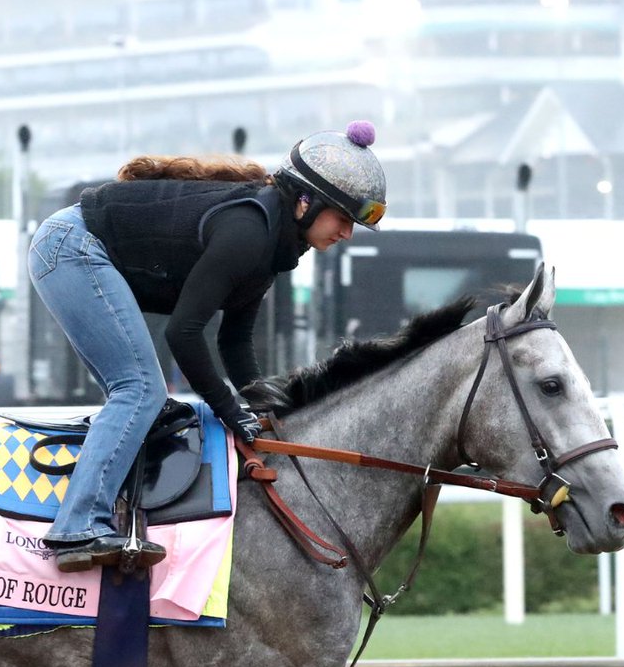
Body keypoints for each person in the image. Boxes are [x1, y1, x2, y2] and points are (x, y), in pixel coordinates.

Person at [28, 121, 387, 573]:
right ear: (305, 202)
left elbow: (234, 340)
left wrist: (265, 406)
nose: (347, 233)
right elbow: (183, 333)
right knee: (140, 390)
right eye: (343, 218)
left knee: (142, 397)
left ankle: (116, 515)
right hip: (71, 247)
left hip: (73, 246)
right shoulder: (248, 233)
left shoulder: (273, 246)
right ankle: (78, 526)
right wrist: (230, 410)